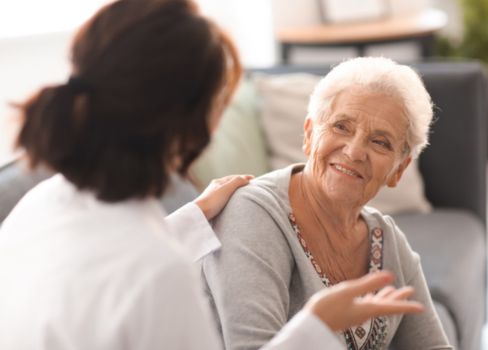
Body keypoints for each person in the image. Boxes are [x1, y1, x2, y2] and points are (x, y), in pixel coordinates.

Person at [0, 1, 424, 349]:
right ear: (193, 124)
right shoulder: (157, 271)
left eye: (381, 142)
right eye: (222, 99)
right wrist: (315, 326)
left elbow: (103, 272)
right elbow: (131, 272)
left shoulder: (41, 205)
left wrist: (191, 218)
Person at [201, 57, 453, 350]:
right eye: (341, 126)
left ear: (399, 169)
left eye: (380, 142)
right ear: (309, 135)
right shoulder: (252, 214)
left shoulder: (388, 242)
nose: (355, 151)